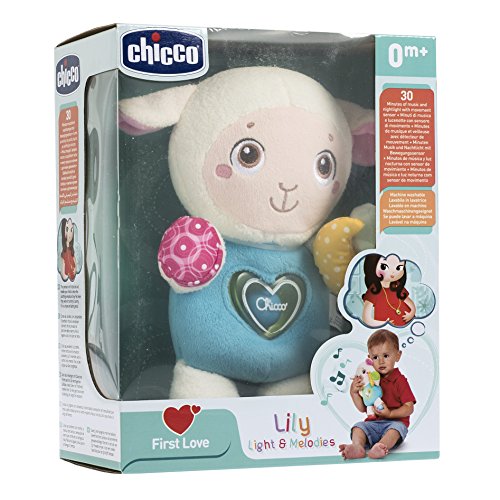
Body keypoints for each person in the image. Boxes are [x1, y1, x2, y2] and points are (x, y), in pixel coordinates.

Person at [339, 329, 416, 459]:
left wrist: (390, 414)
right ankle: (357, 447)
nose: (381, 361)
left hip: (395, 423)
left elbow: (409, 408)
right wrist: (354, 392)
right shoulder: (369, 380)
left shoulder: (399, 380)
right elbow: (363, 408)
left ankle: (380, 446)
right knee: (358, 427)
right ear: (369, 359)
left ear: (397, 356)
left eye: (386, 356)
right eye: (375, 357)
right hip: (373, 424)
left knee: (394, 431)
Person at [362, 253, 416, 327]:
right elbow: (366, 318)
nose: (393, 272)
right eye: (384, 267)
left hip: (407, 323)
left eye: (398, 268)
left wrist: (412, 313)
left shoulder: (397, 285)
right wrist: (384, 324)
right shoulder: (374, 290)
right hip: (388, 329)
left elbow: (408, 301)